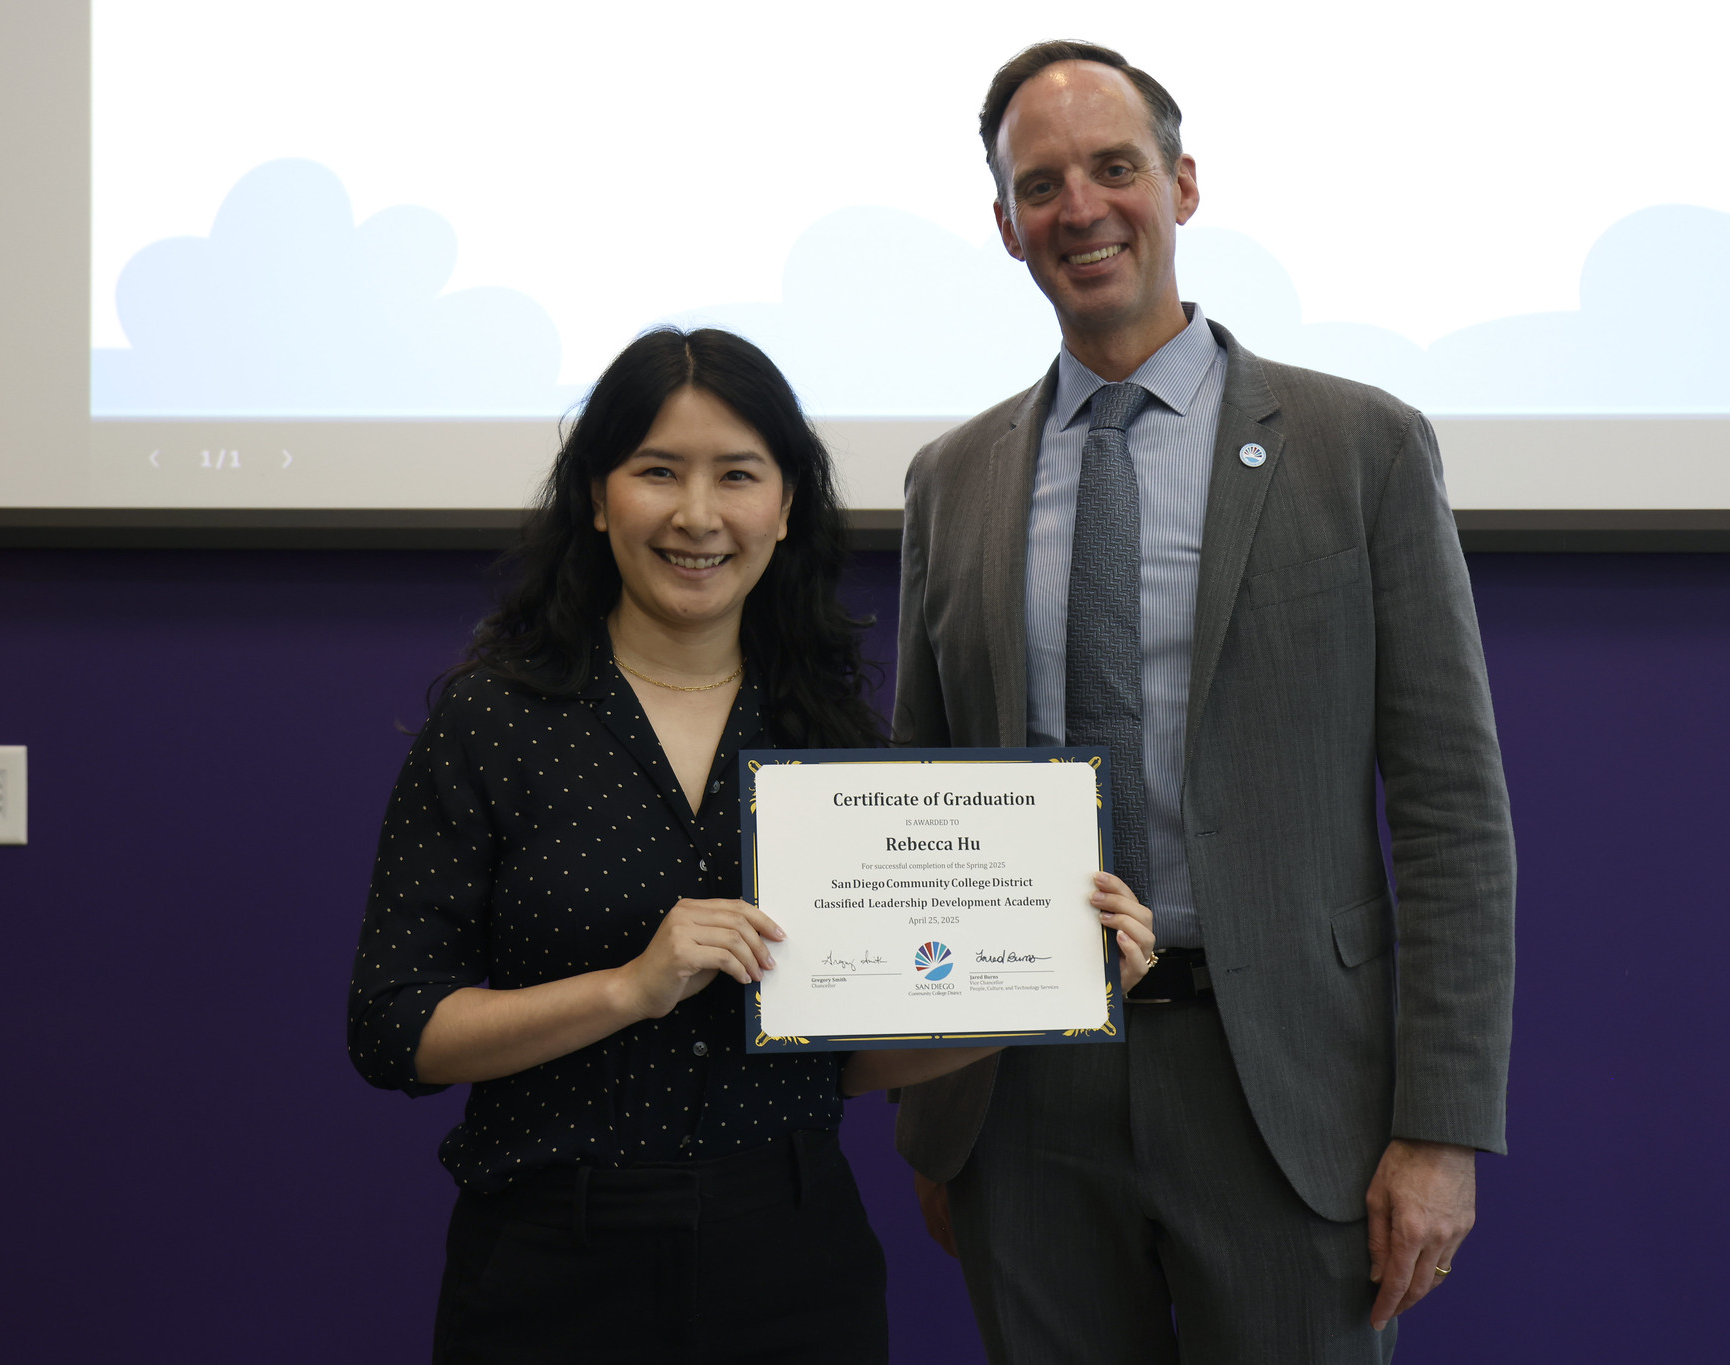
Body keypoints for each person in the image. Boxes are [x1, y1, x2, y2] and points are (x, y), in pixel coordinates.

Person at [891, 41, 1518, 1364]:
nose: (1082, 208)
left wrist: (1442, 1125)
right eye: (1042, 183)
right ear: (1006, 225)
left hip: (1287, 1088)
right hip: (1023, 1090)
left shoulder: (1360, 448)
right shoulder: (952, 482)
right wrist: (933, 1108)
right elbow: (923, 795)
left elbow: (1454, 807)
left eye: (1115, 168)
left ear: (1180, 184)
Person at [347, 328, 1105, 1364]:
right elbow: (395, 1030)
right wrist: (627, 987)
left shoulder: (827, 740)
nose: (697, 516)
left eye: (736, 475)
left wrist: (1049, 985)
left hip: (792, 1260)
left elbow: (833, 1055)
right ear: (598, 495)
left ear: (784, 506)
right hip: (548, 1265)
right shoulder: (494, 723)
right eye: (657, 471)